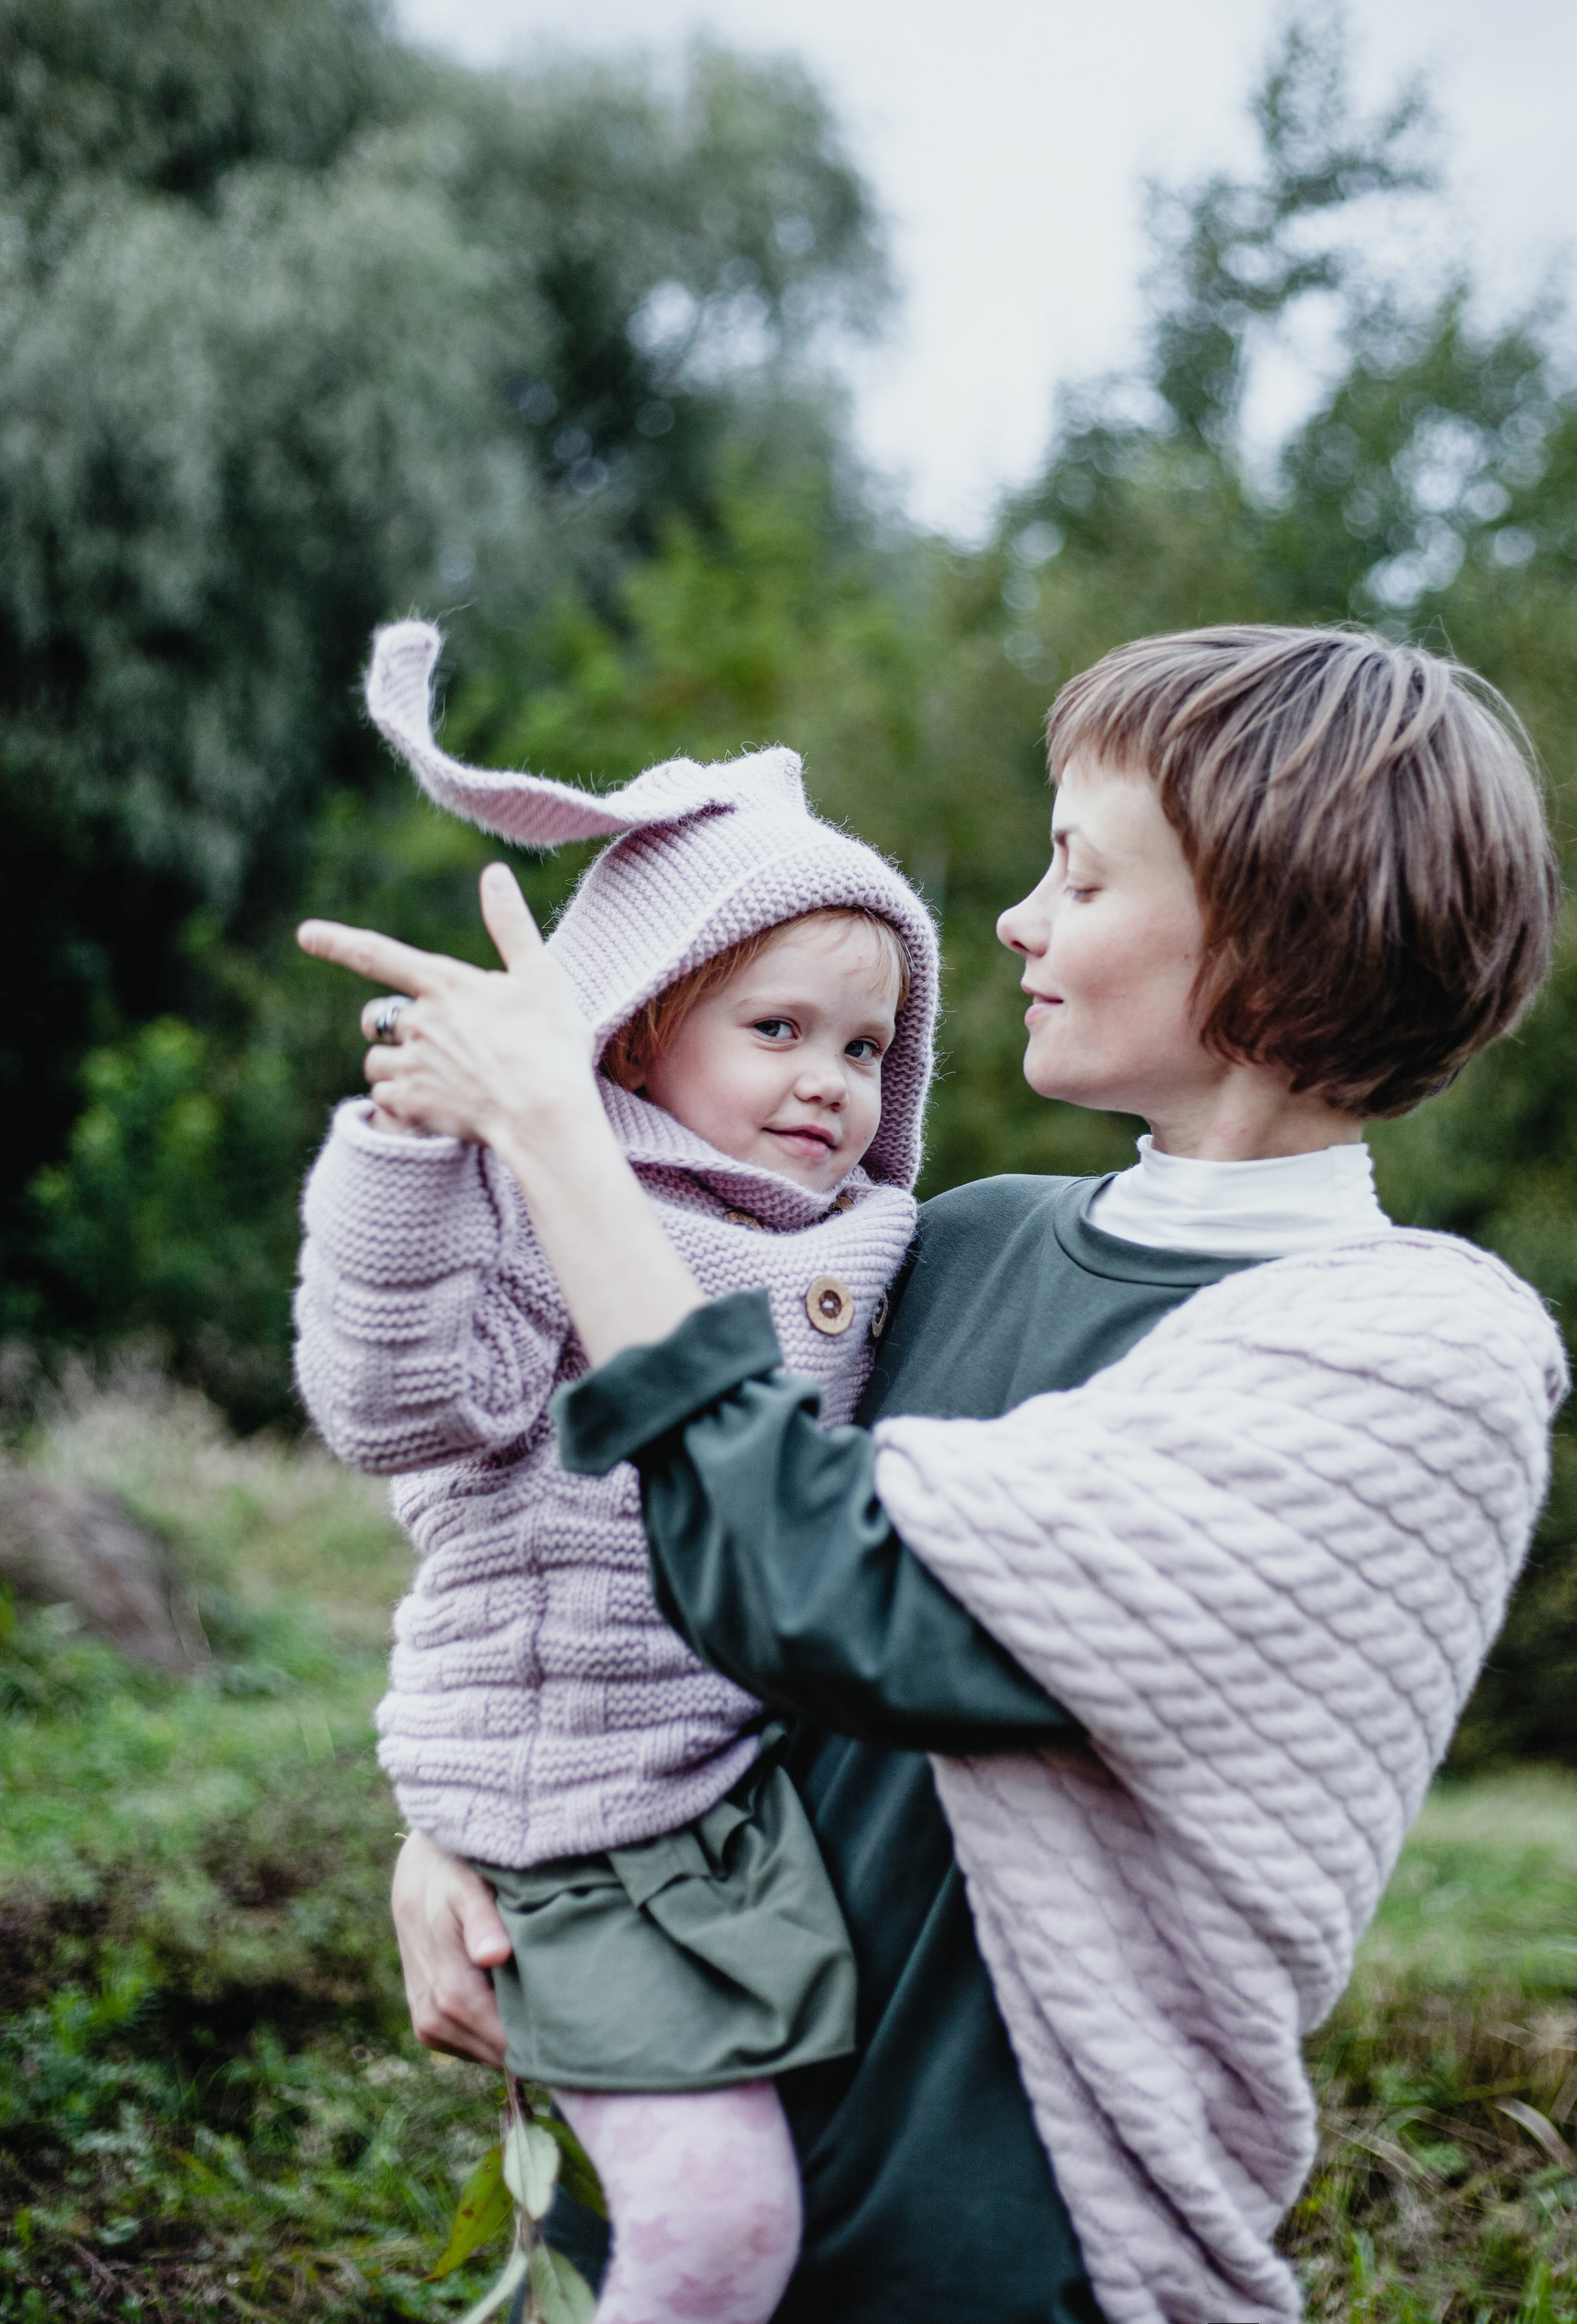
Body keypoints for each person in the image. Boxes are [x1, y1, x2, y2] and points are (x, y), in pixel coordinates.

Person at [301, 624, 1569, 2324]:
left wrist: (554, 1134)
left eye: (1079, 876)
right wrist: (467, 1823)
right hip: (707, 2145)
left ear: (1271, 940)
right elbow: (585, 1519)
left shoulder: (1412, 1355)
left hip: (994, 2250)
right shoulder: (953, 1245)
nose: (1017, 925)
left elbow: (828, 1592)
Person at [294, 619, 941, 2324]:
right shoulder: (541, 1203)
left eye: (864, 1051)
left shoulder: (877, 1242)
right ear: (639, 1037)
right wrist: (417, 1149)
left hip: (744, 1791)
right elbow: (394, 1404)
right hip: (567, 1800)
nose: (826, 1081)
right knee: (719, 2232)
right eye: (776, 1028)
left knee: (763, 2190)